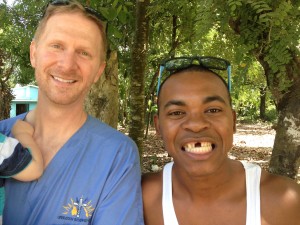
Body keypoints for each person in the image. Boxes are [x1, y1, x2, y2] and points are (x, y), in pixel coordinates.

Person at [0, 0, 143, 224]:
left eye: (84, 53)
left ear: (99, 70)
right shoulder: (2, 137)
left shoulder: (117, 155)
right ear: (34, 53)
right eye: (57, 46)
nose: (67, 65)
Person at [142, 56, 300, 225]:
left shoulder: (285, 202)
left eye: (213, 110)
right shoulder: (139, 198)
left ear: (233, 121)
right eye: (176, 113)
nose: (196, 125)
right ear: (158, 126)